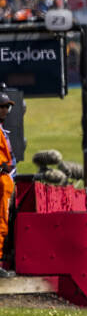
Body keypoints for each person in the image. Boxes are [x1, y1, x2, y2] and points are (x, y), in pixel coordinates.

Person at [0, 93, 16, 270]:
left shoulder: (2, 130)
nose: (5, 110)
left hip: (6, 182)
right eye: (2, 107)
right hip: (1, 182)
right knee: (1, 221)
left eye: (7, 107)